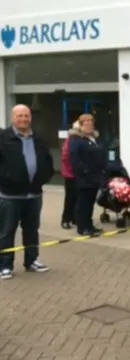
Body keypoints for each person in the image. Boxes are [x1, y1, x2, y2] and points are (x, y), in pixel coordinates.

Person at [0, 104, 54, 280]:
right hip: (10, 196)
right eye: (20, 116)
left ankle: (32, 260)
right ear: (12, 118)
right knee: (7, 231)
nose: (23, 119)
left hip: (34, 195)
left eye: (26, 116)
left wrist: (43, 178)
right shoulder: (3, 138)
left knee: (32, 230)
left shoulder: (38, 138)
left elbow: (47, 161)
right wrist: (7, 179)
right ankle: (4, 265)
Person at [69, 114, 107, 236]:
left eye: (91, 123)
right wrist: (84, 171)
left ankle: (89, 225)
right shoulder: (77, 140)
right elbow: (74, 158)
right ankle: (82, 227)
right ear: (80, 125)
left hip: (95, 177)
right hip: (84, 178)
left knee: (90, 203)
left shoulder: (95, 139)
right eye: (86, 123)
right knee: (83, 203)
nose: (89, 125)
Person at [60, 121, 81, 229]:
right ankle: (66, 219)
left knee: (77, 198)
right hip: (70, 174)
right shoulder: (71, 140)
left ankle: (74, 218)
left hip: (78, 174)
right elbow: (66, 157)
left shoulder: (81, 140)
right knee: (70, 198)